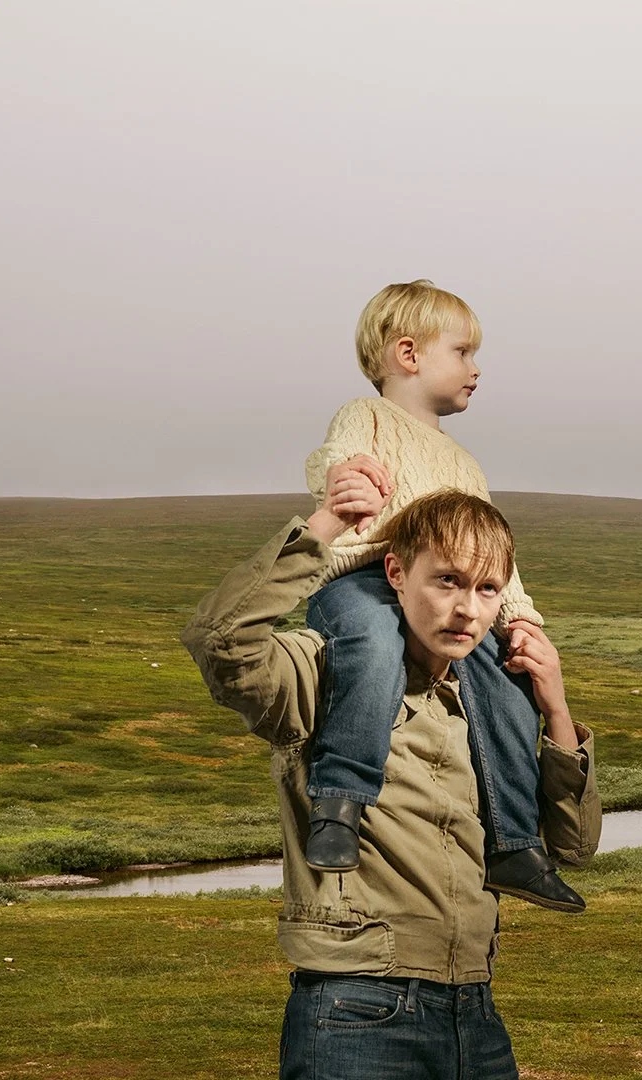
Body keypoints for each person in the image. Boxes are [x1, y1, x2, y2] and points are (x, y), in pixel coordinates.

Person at [181, 487, 601, 1080]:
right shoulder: (321, 673)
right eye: (447, 581)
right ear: (397, 574)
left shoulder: (490, 704)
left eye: (487, 589)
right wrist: (326, 526)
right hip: (355, 1007)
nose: (469, 611)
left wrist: (556, 711)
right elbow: (220, 641)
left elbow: (574, 848)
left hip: (475, 1014)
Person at [298, 279, 583, 912]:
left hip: (449, 598)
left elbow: (491, 558)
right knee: (371, 644)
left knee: (508, 688)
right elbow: (337, 461)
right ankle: (340, 802)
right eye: (463, 352)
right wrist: (343, 481)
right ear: (409, 354)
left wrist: (519, 619)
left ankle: (513, 846)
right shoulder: (364, 416)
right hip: (365, 580)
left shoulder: (466, 465)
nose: (476, 370)